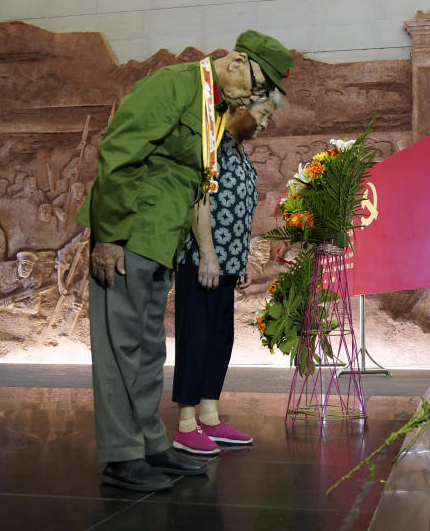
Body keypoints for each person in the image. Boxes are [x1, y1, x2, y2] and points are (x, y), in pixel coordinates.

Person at [76, 30, 293, 491]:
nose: (251, 101)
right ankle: (121, 456)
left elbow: (194, 181)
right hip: (129, 234)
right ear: (236, 62)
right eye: (255, 89)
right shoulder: (173, 85)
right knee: (120, 349)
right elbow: (118, 153)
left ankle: (152, 445)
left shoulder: (211, 107)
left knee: (149, 349)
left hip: (161, 242)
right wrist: (108, 237)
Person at [171, 93, 279, 455]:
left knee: (220, 338)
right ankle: (186, 423)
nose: (264, 124)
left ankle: (211, 416)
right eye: (263, 115)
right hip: (201, 259)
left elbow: (238, 208)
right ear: (244, 106)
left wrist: (241, 258)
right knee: (196, 337)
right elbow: (197, 199)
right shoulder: (211, 140)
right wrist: (207, 255)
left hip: (228, 261)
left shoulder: (238, 149)